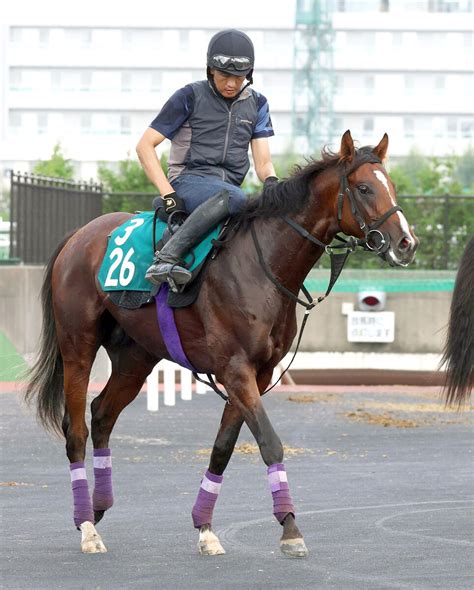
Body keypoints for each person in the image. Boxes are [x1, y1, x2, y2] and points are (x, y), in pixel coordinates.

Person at [136, 28, 278, 292]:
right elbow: (145, 146)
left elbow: (263, 163)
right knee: (237, 198)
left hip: (229, 191)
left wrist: (272, 182)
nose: (232, 84)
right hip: (188, 181)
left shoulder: (258, 104)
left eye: (240, 77)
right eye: (225, 75)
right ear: (210, 70)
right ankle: (166, 259)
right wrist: (168, 194)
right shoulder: (188, 96)